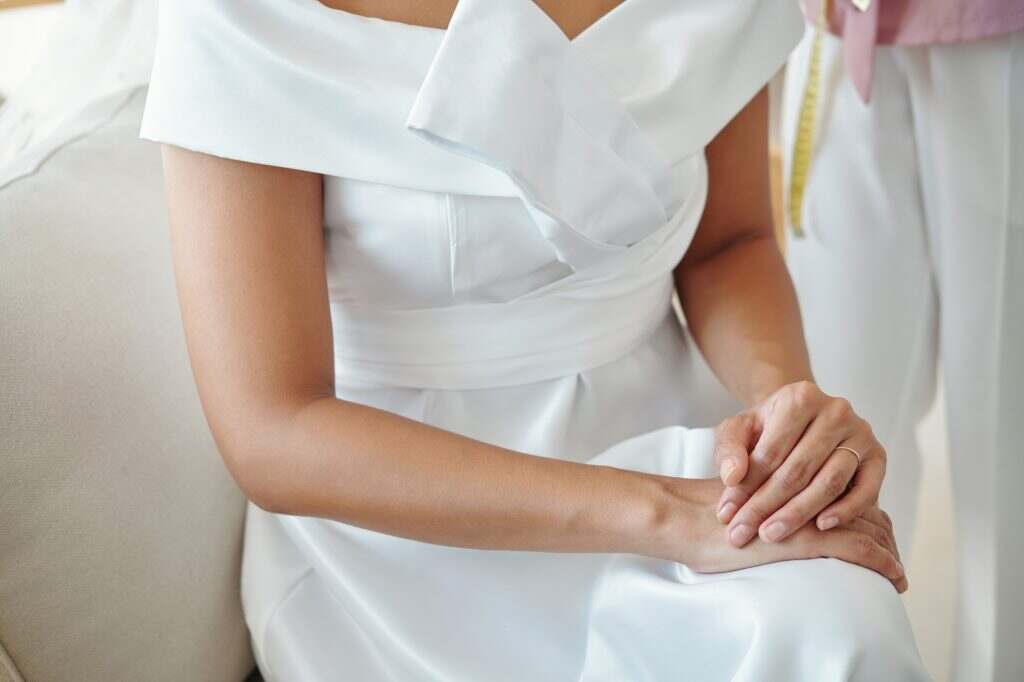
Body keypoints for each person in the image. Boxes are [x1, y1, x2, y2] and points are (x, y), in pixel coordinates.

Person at [140, 0, 929, 679]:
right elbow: (272, 429)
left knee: (840, 630)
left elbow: (730, 245)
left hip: (688, 460)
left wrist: (783, 407)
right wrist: (664, 515)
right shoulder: (241, 19)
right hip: (400, 546)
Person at [780, 1, 1024, 680]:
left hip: (1001, 42)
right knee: (831, 425)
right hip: (833, 36)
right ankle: (847, 663)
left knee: (1006, 434)